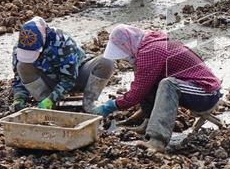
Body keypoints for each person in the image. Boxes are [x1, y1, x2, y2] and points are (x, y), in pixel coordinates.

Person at [94, 25, 222, 153]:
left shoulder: (151, 51)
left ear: (128, 43)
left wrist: (112, 105)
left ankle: (157, 141)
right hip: (194, 88)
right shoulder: (149, 45)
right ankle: (148, 123)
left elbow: (136, 94)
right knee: (147, 82)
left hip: (207, 92)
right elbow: (142, 85)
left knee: (169, 84)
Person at [12, 17, 115, 113]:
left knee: (106, 61)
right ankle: (45, 103)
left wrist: (51, 99)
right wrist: (19, 98)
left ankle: (89, 104)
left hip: (76, 77)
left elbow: (69, 79)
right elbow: (18, 78)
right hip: (48, 83)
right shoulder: (20, 49)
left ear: (43, 39)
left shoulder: (62, 41)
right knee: (22, 66)